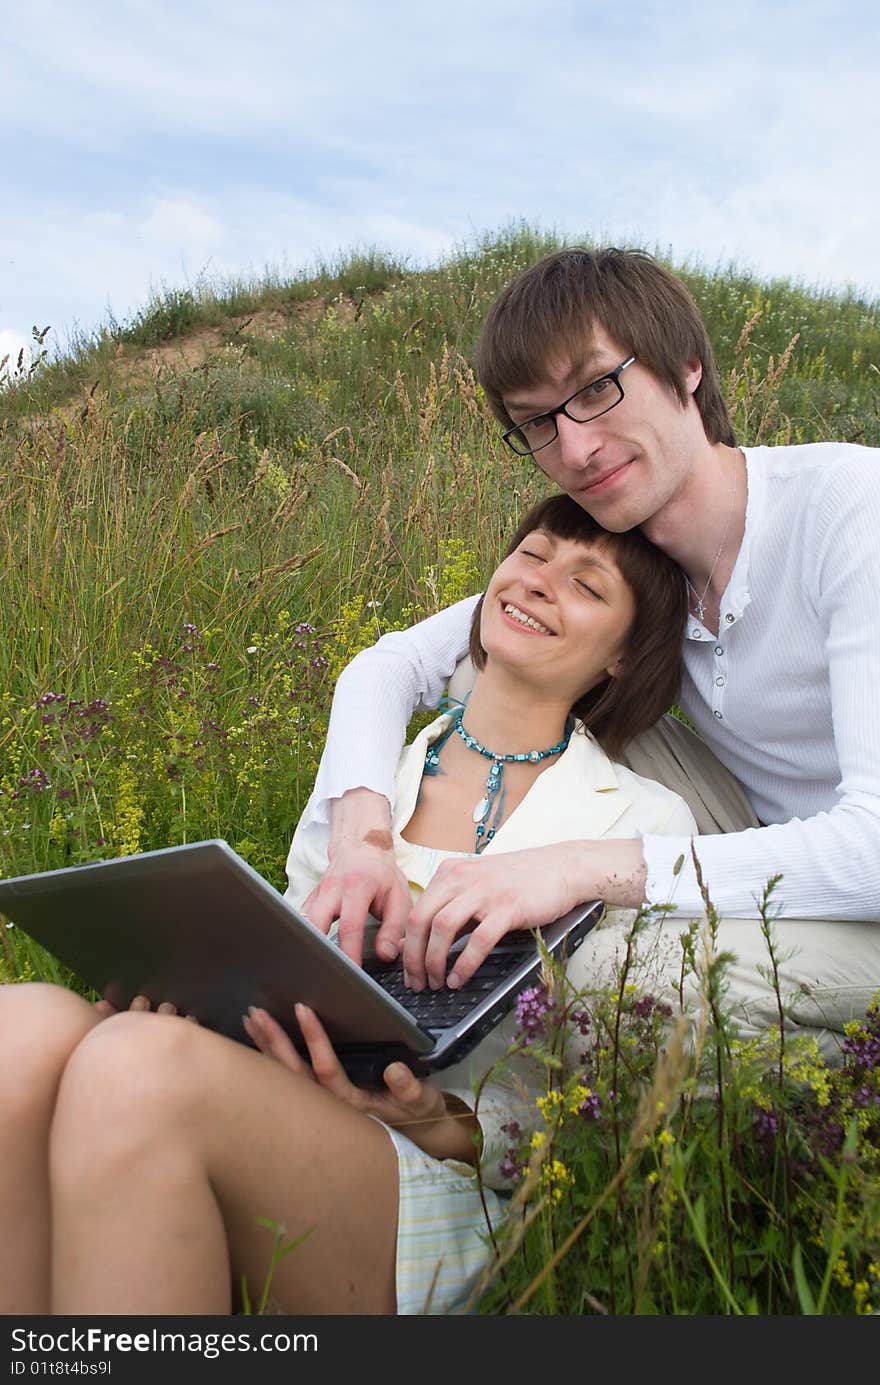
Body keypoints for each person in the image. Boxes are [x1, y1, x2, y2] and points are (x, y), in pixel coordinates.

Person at [0, 495, 698, 1317]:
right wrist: (203, 1008)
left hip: (439, 1174)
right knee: (27, 1031)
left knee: (132, 1066)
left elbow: (604, 1098)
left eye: (587, 585)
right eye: (534, 555)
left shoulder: (638, 820)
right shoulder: (375, 771)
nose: (541, 584)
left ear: (622, 656)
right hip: (274, 1097)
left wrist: (434, 1117)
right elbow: (284, 956)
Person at [303, 246, 880, 1060]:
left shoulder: (850, 510)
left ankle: (823, 1122)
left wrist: (571, 869)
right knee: (506, 650)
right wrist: (360, 842)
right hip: (765, 853)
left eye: (598, 389)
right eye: (538, 421)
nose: (575, 450)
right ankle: (399, 950)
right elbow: (390, 665)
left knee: (601, 969)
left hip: (867, 895)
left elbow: (874, 851)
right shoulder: (638, 568)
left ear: (687, 371)